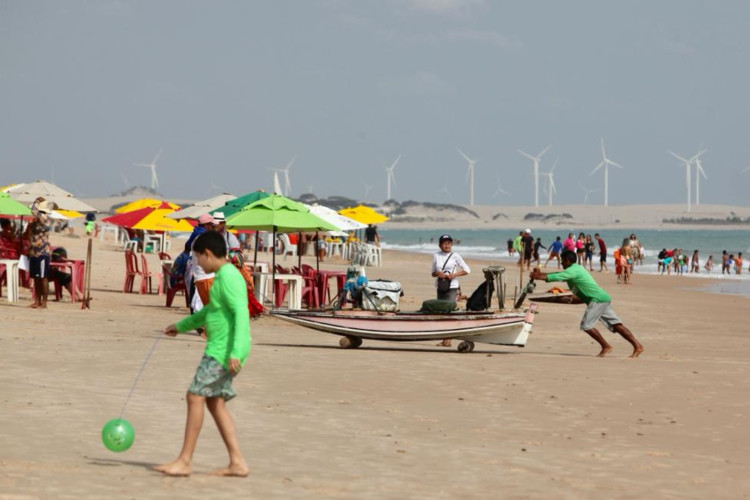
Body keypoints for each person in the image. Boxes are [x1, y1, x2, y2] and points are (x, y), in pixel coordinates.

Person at [156, 231, 250, 477]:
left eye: (198, 257)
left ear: (208, 254)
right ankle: (237, 463)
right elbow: (209, 312)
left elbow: (242, 314)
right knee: (214, 402)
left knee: (194, 396)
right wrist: (180, 326)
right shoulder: (221, 277)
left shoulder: (229, 277)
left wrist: (236, 352)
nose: (197, 262)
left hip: (224, 350)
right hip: (222, 348)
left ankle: (185, 461)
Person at [530, 250, 644, 358]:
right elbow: (560, 277)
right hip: (603, 298)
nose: (561, 262)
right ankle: (637, 346)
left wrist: (538, 276)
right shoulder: (576, 269)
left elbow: (557, 276)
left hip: (597, 299)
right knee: (617, 325)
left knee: (587, 326)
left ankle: (606, 346)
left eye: (563, 260)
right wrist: (540, 275)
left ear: (568, 261)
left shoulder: (573, 270)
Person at [431, 234, 471, 347]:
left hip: (452, 286)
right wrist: (438, 273)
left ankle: (448, 340)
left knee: (449, 311)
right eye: (444, 243)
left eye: (449, 242)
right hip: (440, 286)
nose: (447, 245)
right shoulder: (436, 255)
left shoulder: (456, 256)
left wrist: (454, 274)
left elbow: (467, 270)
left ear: (452, 244)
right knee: (442, 312)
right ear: (440, 245)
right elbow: (432, 273)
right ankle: (445, 339)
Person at [25, 198, 55, 309]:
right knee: (36, 278)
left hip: (43, 253)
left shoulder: (46, 219)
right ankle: (37, 301)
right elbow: (29, 236)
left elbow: (34, 212)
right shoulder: (34, 223)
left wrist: (36, 202)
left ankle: (44, 302)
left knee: (43, 277)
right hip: (34, 252)